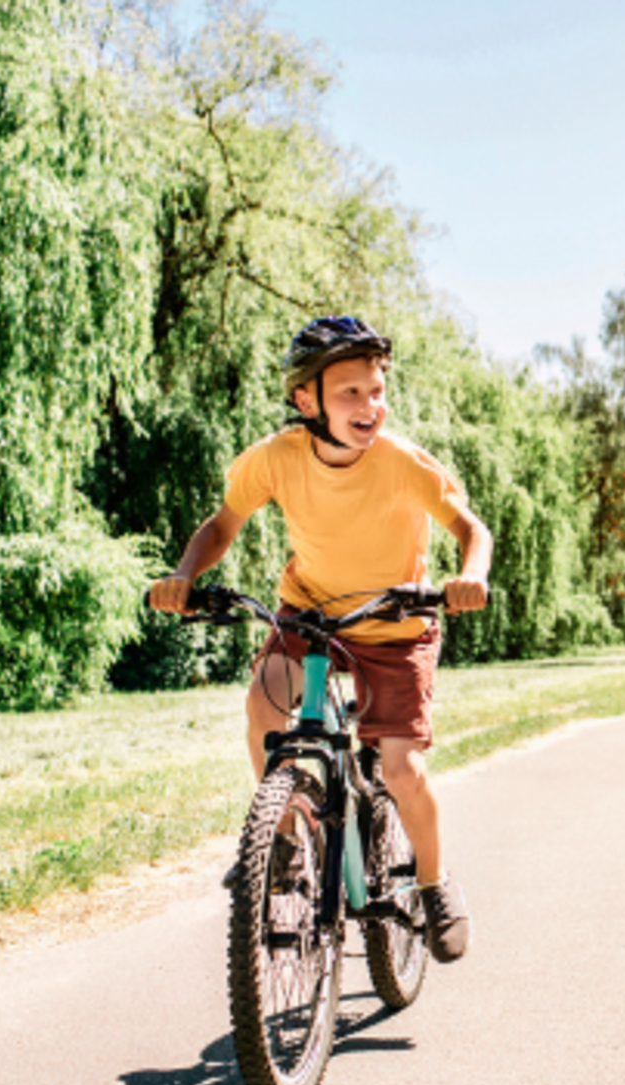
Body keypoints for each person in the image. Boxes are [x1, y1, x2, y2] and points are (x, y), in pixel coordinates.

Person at [149, 316, 492, 964]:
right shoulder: (277, 458)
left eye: (377, 390)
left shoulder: (401, 461)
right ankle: (279, 842)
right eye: (351, 393)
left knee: (400, 767)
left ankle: (434, 882)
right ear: (307, 401)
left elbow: (473, 531)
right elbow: (223, 523)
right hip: (311, 611)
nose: (371, 406)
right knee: (264, 705)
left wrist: (469, 577)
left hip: (396, 621)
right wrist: (183, 575)